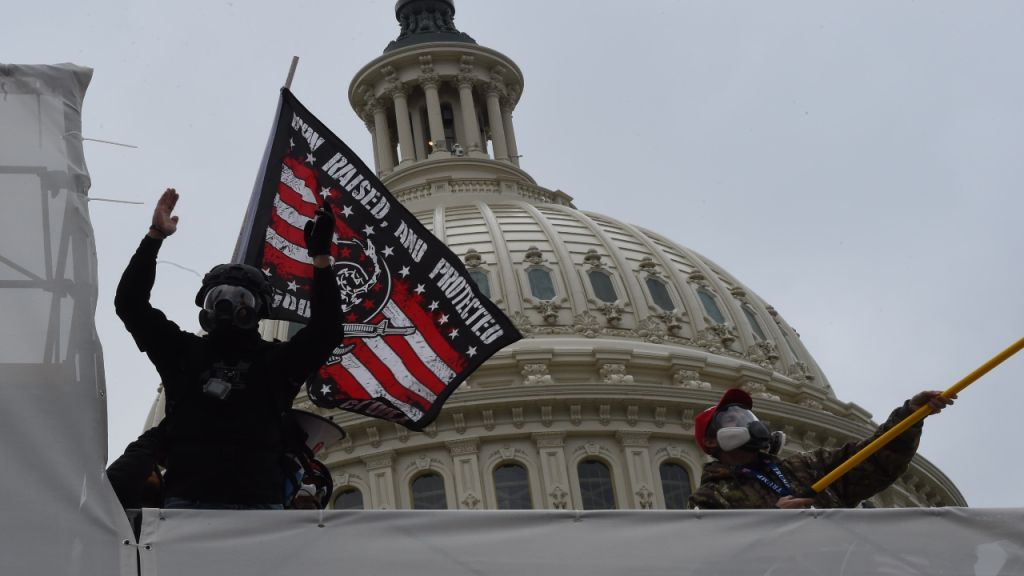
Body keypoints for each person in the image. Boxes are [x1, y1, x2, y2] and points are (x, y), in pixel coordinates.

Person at [115, 188, 343, 509]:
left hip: (252, 512)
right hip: (192, 507)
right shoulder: (184, 354)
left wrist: (320, 260)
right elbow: (130, 304)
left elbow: (326, 330)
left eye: (240, 299)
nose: (227, 307)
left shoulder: (273, 364)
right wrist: (155, 236)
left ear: (257, 311)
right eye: (218, 298)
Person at [688, 387, 954, 509]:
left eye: (747, 417)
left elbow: (873, 460)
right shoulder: (710, 499)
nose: (748, 424)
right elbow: (717, 558)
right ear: (711, 441)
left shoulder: (805, 467)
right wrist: (773, 520)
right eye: (733, 419)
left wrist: (909, 416)